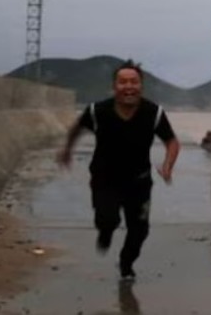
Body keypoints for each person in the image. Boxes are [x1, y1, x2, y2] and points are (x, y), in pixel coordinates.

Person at [57, 59, 181, 282]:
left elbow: (172, 141)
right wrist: (67, 150)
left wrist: (167, 166)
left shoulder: (154, 113)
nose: (128, 87)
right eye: (123, 82)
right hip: (105, 180)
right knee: (107, 219)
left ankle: (126, 263)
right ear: (114, 87)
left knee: (140, 230)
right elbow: (77, 129)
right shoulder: (97, 111)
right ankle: (105, 232)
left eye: (134, 82)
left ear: (141, 86)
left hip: (139, 182)